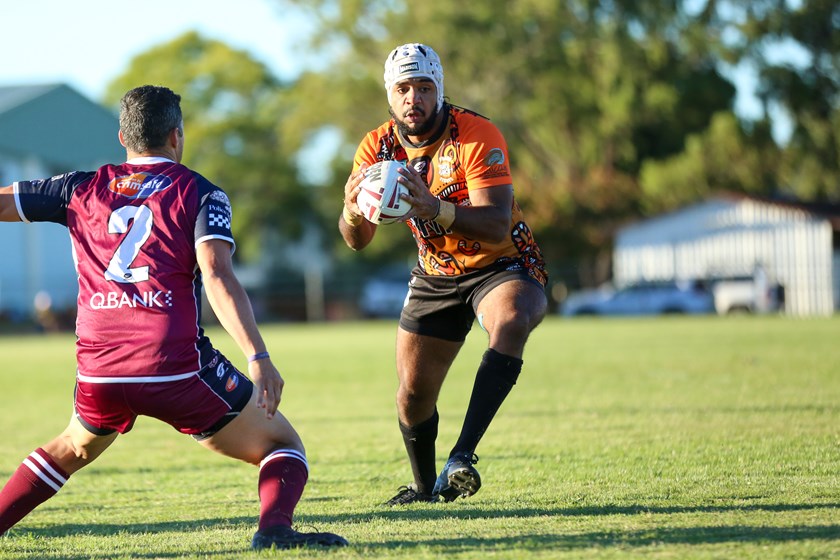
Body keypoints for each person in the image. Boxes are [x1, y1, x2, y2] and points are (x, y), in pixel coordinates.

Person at [0, 85, 347, 551]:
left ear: (122, 136)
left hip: (99, 367)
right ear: (177, 136)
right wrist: (258, 355)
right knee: (281, 446)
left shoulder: (78, 187)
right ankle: (274, 531)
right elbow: (218, 275)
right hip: (174, 366)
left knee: (73, 447)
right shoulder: (200, 193)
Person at [339, 43, 548, 505]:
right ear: (390, 95)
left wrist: (432, 207)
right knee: (412, 396)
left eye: (424, 87)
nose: (414, 98)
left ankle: (462, 456)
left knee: (511, 319)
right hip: (436, 272)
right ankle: (422, 489)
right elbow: (357, 240)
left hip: (502, 263)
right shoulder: (376, 147)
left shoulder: (475, 133)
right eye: (403, 88)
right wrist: (353, 212)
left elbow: (494, 222)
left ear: (440, 90)